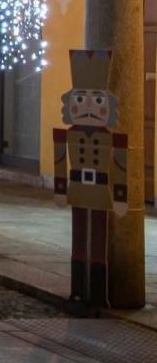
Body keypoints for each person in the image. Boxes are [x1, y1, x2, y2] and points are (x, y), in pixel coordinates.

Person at [53, 50, 130, 306]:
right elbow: (61, 162)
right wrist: (60, 190)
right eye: (81, 99)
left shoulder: (112, 139)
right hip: (77, 187)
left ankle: (97, 291)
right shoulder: (67, 136)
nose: (88, 107)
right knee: (78, 235)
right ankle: (77, 287)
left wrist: (120, 196)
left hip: (99, 189)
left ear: (107, 105)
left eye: (96, 100)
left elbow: (119, 165)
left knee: (98, 236)